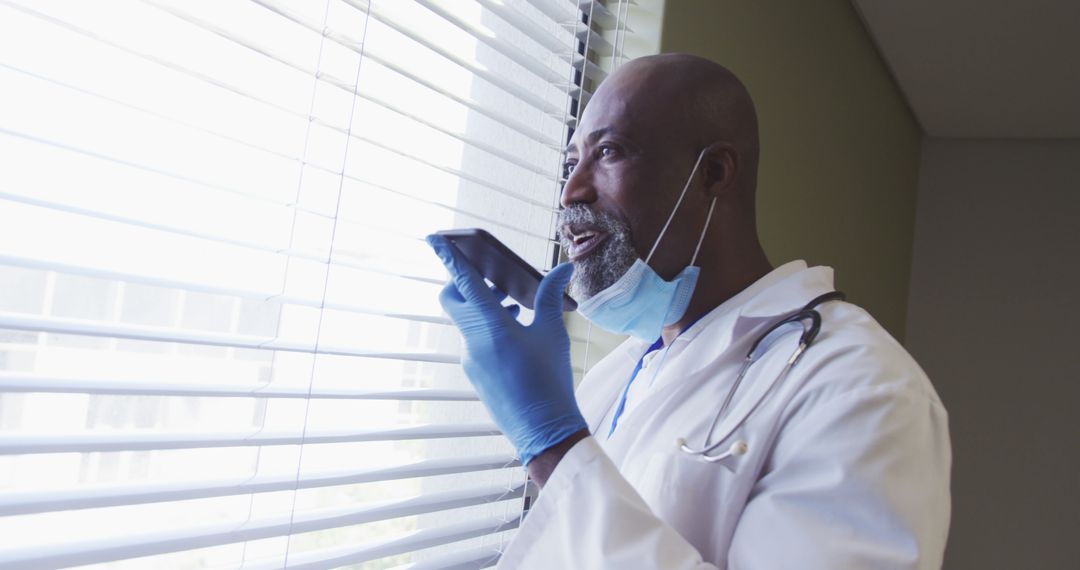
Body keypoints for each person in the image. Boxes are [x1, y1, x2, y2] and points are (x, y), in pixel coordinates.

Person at [426, 53, 950, 569]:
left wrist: (553, 445)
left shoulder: (861, 386)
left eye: (607, 152)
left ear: (714, 173)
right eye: (571, 163)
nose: (572, 191)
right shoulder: (625, 372)